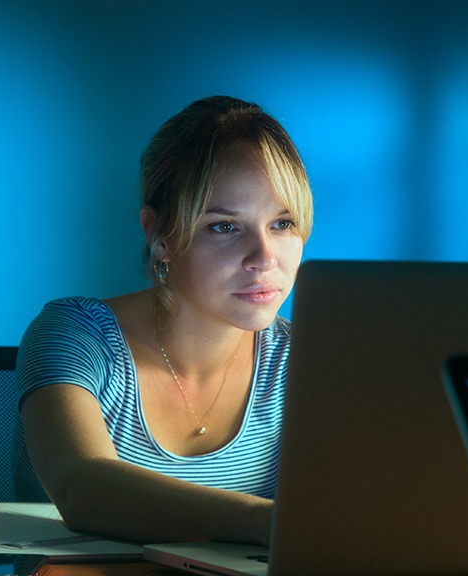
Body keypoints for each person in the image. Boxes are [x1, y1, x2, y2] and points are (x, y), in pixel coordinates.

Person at [16, 95, 313, 544]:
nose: (264, 258)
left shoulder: (305, 360)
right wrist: (276, 523)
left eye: (282, 223)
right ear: (159, 234)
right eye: (224, 226)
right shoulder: (75, 335)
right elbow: (83, 488)